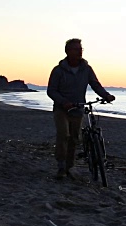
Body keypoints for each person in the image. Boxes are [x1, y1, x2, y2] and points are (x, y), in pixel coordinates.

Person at [47, 38, 115, 180]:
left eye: (81, 49)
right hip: (62, 109)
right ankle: (61, 166)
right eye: (76, 49)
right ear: (67, 51)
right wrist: (63, 102)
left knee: (74, 139)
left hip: (78, 108)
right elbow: (51, 91)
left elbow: (95, 85)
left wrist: (106, 95)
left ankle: (69, 166)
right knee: (63, 135)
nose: (79, 52)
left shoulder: (86, 69)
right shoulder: (58, 70)